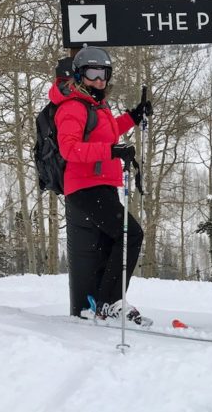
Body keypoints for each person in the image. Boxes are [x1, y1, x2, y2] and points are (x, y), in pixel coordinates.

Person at [50, 46, 153, 325]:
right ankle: (110, 302)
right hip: (85, 186)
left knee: (114, 243)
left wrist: (132, 116)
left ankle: (106, 302)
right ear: (80, 75)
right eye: (93, 73)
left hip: (102, 184)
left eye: (104, 74)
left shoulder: (97, 105)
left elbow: (106, 132)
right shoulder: (72, 107)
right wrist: (111, 152)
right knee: (131, 234)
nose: (99, 80)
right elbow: (69, 149)